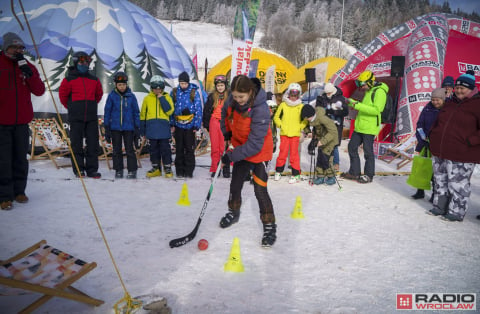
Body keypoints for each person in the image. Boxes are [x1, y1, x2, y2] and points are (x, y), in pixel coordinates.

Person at [219, 75, 276, 247]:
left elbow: (254, 145)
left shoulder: (261, 109)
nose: (237, 100)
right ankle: (233, 212)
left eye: (241, 97)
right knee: (235, 184)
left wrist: (231, 155)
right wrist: (227, 133)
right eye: (235, 96)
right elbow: (225, 115)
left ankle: (269, 225)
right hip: (240, 147)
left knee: (260, 189)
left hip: (258, 152)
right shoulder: (232, 100)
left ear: (250, 92)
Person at [0, 32, 45, 210]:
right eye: (14, 47)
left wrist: (30, 75)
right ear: (6, 47)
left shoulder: (28, 66)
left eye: (21, 48)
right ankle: (4, 195)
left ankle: (19, 191)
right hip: (2, 121)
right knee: (3, 160)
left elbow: (40, 91)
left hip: (21, 121)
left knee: (20, 158)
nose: (18, 51)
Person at [427, 73, 479, 222]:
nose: (459, 91)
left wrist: (470, 141)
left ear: (470, 88)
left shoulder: (477, 104)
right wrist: (433, 135)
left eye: (462, 88)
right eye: (456, 87)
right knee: (440, 180)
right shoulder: (449, 103)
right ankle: (439, 207)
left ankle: (456, 212)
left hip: (462, 153)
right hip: (440, 150)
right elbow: (438, 122)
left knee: (458, 184)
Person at [59, 51, 103, 178]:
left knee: (93, 144)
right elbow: (63, 96)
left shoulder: (94, 80)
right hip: (76, 117)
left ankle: (92, 170)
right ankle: (79, 169)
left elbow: (98, 95)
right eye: (82, 62)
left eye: (87, 62)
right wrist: (73, 107)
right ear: (76, 62)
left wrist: (90, 105)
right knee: (76, 144)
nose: (84, 64)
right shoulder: (68, 80)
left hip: (91, 117)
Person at [341, 70, 389, 183]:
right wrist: (351, 102)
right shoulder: (369, 90)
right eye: (359, 84)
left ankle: (368, 175)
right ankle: (354, 172)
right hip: (360, 126)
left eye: (362, 84)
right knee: (352, 147)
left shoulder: (379, 92)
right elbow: (364, 107)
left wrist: (357, 105)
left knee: (368, 152)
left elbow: (377, 110)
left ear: (370, 82)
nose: (361, 87)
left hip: (370, 127)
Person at [103, 71, 141, 179]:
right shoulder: (111, 96)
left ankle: (132, 170)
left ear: (126, 84)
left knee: (129, 150)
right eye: (119, 85)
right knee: (116, 150)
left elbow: (136, 112)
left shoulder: (131, 96)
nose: (122, 87)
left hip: (129, 128)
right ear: (116, 85)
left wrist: (137, 127)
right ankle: (118, 170)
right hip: (115, 128)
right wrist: (107, 127)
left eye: (124, 84)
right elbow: (107, 112)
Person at [410, 87, 445, 201]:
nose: (435, 102)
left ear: (443, 99)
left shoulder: (445, 110)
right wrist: (422, 137)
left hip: (437, 145)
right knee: (421, 167)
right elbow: (420, 124)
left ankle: (435, 193)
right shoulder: (427, 108)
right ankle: (420, 191)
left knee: (435, 171)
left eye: (437, 100)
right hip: (424, 143)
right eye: (433, 100)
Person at [273, 83, 308, 183]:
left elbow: (305, 120)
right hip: (284, 133)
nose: (293, 97)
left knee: (294, 155)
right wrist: (281, 125)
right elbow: (276, 117)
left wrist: (299, 127)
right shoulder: (283, 105)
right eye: (292, 94)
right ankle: (278, 171)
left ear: (299, 95)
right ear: (288, 94)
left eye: (295, 95)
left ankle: (295, 174)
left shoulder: (301, 106)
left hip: (295, 134)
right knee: (282, 153)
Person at [140, 75, 174, 178]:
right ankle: (156, 168)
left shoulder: (167, 97)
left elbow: (169, 111)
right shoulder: (147, 98)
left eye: (160, 88)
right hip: (152, 128)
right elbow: (143, 114)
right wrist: (143, 130)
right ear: (152, 88)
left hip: (163, 128)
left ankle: (167, 168)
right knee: (153, 149)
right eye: (155, 88)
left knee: (165, 149)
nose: (158, 90)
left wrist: (161, 98)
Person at [170, 71, 203, 178]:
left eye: (185, 83)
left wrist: (196, 125)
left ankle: (189, 171)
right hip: (178, 125)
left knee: (189, 148)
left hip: (190, 126)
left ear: (188, 83)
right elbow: (171, 109)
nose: (183, 85)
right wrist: (172, 124)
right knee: (179, 148)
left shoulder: (194, 92)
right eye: (181, 83)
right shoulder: (175, 92)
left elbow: (198, 109)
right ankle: (179, 170)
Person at [301, 105, 339, 185]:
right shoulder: (311, 119)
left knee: (326, 158)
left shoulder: (322, 118)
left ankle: (331, 177)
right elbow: (306, 126)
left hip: (330, 140)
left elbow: (333, 131)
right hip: (321, 139)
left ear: (311, 115)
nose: (306, 120)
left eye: (307, 118)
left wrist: (323, 141)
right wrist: (308, 132)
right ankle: (320, 176)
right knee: (320, 158)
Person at [316, 82, 349, 172]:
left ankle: (336, 163)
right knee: (324, 143)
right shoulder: (323, 97)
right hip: (325, 124)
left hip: (336, 125)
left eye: (329, 93)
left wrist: (335, 111)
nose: (328, 95)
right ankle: (325, 163)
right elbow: (318, 109)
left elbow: (346, 112)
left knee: (334, 145)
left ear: (333, 91)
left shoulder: (340, 98)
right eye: (327, 93)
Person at [203, 74, 230, 178]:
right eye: (218, 86)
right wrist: (206, 124)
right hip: (214, 122)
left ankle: (226, 168)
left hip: (225, 122)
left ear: (225, 85)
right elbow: (206, 110)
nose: (220, 87)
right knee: (215, 147)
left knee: (225, 147)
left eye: (222, 85)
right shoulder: (212, 96)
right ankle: (215, 168)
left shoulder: (230, 96)